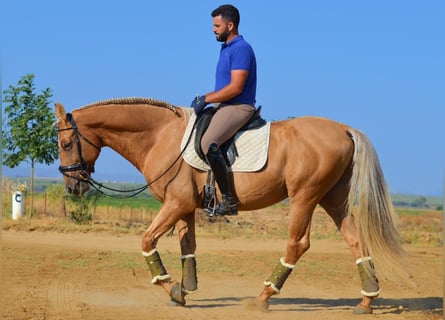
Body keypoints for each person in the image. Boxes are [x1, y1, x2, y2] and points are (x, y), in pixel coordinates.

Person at [191, 4, 257, 216]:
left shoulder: (241, 49)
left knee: (207, 142)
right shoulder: (226, 48)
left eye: (217, 25)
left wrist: (206, 98)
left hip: (239, 106)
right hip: (224, 105)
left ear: (230, 25)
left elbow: (236, 87)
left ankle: (228, 199)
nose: (214, 29)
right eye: (213, 26)